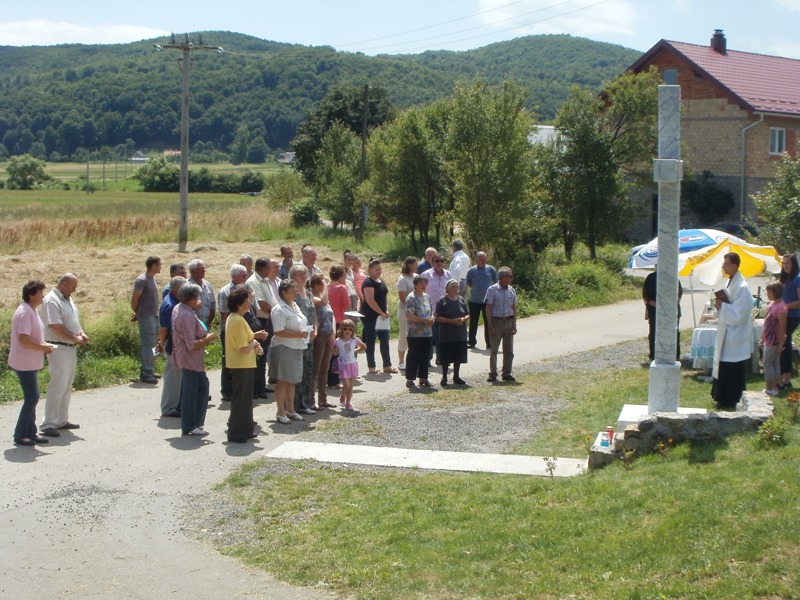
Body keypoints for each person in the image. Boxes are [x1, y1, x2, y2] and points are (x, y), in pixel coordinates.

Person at [39, 273, 89, 437]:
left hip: (70, 347)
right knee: (58, 384)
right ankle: (48, 423)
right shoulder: (51, 300)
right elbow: (56, 326)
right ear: (65, 284)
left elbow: (74, 321)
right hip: (58, 347)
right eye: (73, 287)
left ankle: (61, 420)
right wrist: (76, 338)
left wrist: (81, 333)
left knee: (67, 384)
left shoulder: (67, 299)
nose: (75, 290)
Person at [10, 280, 54, 446]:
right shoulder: (24, 313)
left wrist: (43, 345)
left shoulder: (31, 311)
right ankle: (20, 434)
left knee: (32, 398)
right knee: (32, 398)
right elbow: (23, 339)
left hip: (30, 361)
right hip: (24, 362)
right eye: (40, 293)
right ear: (31, 295)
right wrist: (42, 346)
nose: (43, 296)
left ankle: (31, 433)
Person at [225, 284, 268, 443]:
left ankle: (246, 430)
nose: (250, 303)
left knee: (245, 400)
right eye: (247, 300)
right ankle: (237, 433)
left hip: (244, 364)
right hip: (241, 364)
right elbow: (243, 348)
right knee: (241, 400)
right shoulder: (237, 320)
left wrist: (253, 342)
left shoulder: (236, 319)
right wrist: (254, 342)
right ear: (238, 303)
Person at [172, 283, 216, 436]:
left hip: (190, 359)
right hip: (190, 359)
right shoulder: (187, 315)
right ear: (190, 299)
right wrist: (208, 338)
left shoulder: (180, 309)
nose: (199, 300)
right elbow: (192, 344)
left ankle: (195, 423)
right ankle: (190, 425)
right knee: (192, 391)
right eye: (197, 297)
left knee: (200, 387)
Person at [711, 252, 753, 410]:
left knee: (732, 368)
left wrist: (724, 306)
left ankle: (731, 398)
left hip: (735, 334)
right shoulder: (731, 282)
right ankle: (721, 396)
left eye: (726, 263)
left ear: (734, 265)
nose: (723, 266)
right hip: (727, 332)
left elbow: (741, 312)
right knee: (724, 365)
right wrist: (720, 304)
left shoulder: (742, 286)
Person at [270, 278, 310, 424]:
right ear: (284, 293)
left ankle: (291, 410)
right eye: (292, 291)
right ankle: (281, 412)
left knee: (292, 380)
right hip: (284, 347)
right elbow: (279, 331)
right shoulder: (279, 309)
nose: (295, 293)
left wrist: (305, 333)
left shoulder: (294, 305)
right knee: (283, 381)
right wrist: (299, 334)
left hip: (297, 347)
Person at [247, 258, 278, 399]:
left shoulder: (265, 280)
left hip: (268, 319)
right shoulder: (254, 281)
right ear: (263, 269)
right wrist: (277, 313)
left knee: (263, 354)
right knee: (259, 354)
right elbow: (261, 304)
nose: (271, 270)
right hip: (261, 320)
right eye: (269, 268)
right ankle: (256, 388)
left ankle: (261, 385)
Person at [218, 265, 249, 402]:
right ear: (234, 276)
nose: (245, 278)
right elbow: (224, 314)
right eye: (243, 275)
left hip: (243, 328)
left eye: (246, 275)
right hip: (229, 331)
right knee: (228, 359)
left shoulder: (247, 290)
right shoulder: (225, 291)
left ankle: (243, 389)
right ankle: (227, 390)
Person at [290, 265, 318, 415]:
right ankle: (295, 404)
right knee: (297, 371)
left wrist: (315, 331)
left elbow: (314, 315)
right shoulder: (292, 294)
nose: (303, 276)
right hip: (298, 336)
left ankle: (307, 402)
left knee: (308, 369)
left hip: (310, 337)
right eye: (300, 274)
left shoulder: (309, 292)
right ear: (293, 277)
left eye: (305, 274)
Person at [157, 276, 186, 417]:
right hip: (172, 344)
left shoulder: (174, 301)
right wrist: (161, 343)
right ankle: (169, 408)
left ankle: (176, 404)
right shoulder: (170, 305)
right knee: (173, 376)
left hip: (175, 343)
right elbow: (164, 329)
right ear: (177, 290)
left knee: (177, 376)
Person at [361, 258, 396, 374]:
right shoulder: (368, 282)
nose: (379, 271)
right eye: (376, 269)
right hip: (370, 316)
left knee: (385, 340)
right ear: (370, 270)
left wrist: (385, 310)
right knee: (371, 341)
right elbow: (370, 300)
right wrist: (380, 312)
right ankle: (371, 366)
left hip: (382, 317)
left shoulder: (381, 281)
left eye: (380, 269)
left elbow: (384, 297)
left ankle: (387, 365)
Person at [642, 267, 683, 361]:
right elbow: (645, 294)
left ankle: (675, 355)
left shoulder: (673, 277)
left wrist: (670, 305)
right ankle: (653, 356)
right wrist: (655, 304)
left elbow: (679, 293)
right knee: (654, 333)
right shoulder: (651, 277)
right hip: (654, 309)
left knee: (674, 332)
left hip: (671, 310)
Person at [131, 256, 161, 384]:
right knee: (148, 344)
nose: (161, 266)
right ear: (153, 265)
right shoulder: (142, 279)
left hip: (153, 315)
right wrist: (138, 312)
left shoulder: (151, 278)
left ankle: (150, 369)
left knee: (152, 344)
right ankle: (146, 372)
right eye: (159, 264)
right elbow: (135, 298)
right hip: (146, 316)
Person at [485, 267, 518, 382]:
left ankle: (506, 373)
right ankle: (493, 373)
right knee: (494, 350)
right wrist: (490, 326)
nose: (511, 279)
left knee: (509, 350)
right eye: (510, 276)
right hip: (496, 322)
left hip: (508, 321)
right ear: (503, 277)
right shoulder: (492, 289)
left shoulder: (511, 290)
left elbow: (514, 308)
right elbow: (488, 308)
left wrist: (514, 325)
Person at [435, 279, 469, 386]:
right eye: (453, 287)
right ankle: (444, 377)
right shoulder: (442, 300)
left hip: (460, 333)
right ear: (447, 289)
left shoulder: (461, 299)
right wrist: (451, 321)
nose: (455, 289)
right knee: (446, 356)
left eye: (457, 287)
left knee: (458, 355)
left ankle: (456, 376)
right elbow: (437, 317)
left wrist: (463, 319)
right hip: (447, 334)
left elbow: (468, 314)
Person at [311, 274, 336, 410]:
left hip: (328, 334)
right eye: (321, 284)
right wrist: (326, 284)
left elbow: (332, 316)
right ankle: (311, 400)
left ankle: (323, 399)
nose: (324, 286)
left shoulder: (325, 299)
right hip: (319, 335)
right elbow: (321, 301)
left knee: (325, 368)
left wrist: (333, 332)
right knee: (316, 368)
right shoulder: (313, 297)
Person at [405, 275, 435, 389]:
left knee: (425, 355)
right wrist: (424, 320)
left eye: (425, 283)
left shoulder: (427, 297)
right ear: (416, 285)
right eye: (421, 283)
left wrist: (432, 318)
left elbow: (431, 311)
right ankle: (410, 378)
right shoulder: (411, 297)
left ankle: (423, 378)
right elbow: (409, 315)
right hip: (415, 332)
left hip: (427, 332)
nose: (424, 286)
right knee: (413, 355)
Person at [422, 254, 451, 364]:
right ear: (432, 263)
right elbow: (421, 290)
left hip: (443, 310)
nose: (439, 263)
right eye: (437, 261)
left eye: (441, 261)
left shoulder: (448, 275)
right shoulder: (426, 275)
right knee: (429, 337)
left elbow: (451, 291)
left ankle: (441, 358)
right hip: (429, 310)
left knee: (442, 336)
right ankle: (427, 359)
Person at [465, 251, 498, 349]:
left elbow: (496, 282)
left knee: (488, 322)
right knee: (473, 322)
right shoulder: (471, 271)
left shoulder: (491, 269)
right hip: (474, 301)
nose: (483, 261)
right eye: (481, 259)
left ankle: (489, 343)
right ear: (477, 259)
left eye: (485, 259)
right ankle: (471, 342)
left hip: (487, 301)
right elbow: (469, 283)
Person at [332, 319, 366, 410]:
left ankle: (348, 403)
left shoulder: (354, 340)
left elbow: (363, 347)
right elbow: (335, 353)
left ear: (353, 331)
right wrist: (330, 346)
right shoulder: (338, 341)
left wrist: (355, 351)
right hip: (343, 365)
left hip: (352, 364)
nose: (347, 331)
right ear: (341, 329)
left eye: (350, 329)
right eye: (345, 329)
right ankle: (342, 395)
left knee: (351, 386)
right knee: (346, 385)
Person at [761, 282, 787, 397]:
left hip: (774, 340)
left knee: (768, 363)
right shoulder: (772, 304)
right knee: (775, 363)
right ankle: (775, 387)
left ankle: (769, 388)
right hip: (768, 338)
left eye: (770, 292)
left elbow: (782, 326)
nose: (768, 294)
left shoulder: (781, 307)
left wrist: (781, 344)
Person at [779, 253, 800, 390]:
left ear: (794, 264)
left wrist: (784, 307)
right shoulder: (785, 279)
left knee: (785, 343)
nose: (786, 266)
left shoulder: (798, 278)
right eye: (784, 263)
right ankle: (783, 377)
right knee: (782, 343)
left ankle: (786, 379)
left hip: (792, 315)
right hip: (782, 315)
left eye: (788, 263)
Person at [396, 256, 418, 371]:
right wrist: (413, 307)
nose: (417, 266)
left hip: (417, 311)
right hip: (405, 311)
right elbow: (403, 298)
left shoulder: (416, 277)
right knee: (404, 334)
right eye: (415, 264)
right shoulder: (402, 279)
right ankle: (401, 361)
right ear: (409, 265)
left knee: (415, 335)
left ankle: (414, 359)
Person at [187, 259, 216, 329]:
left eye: (204, 268)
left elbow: (213, 306)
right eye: (201, 269)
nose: (204, 270)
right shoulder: (186, 286)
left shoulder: (208, 285)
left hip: (205, 326)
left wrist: (207, 324)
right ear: (193, 271)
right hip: (191, 326)